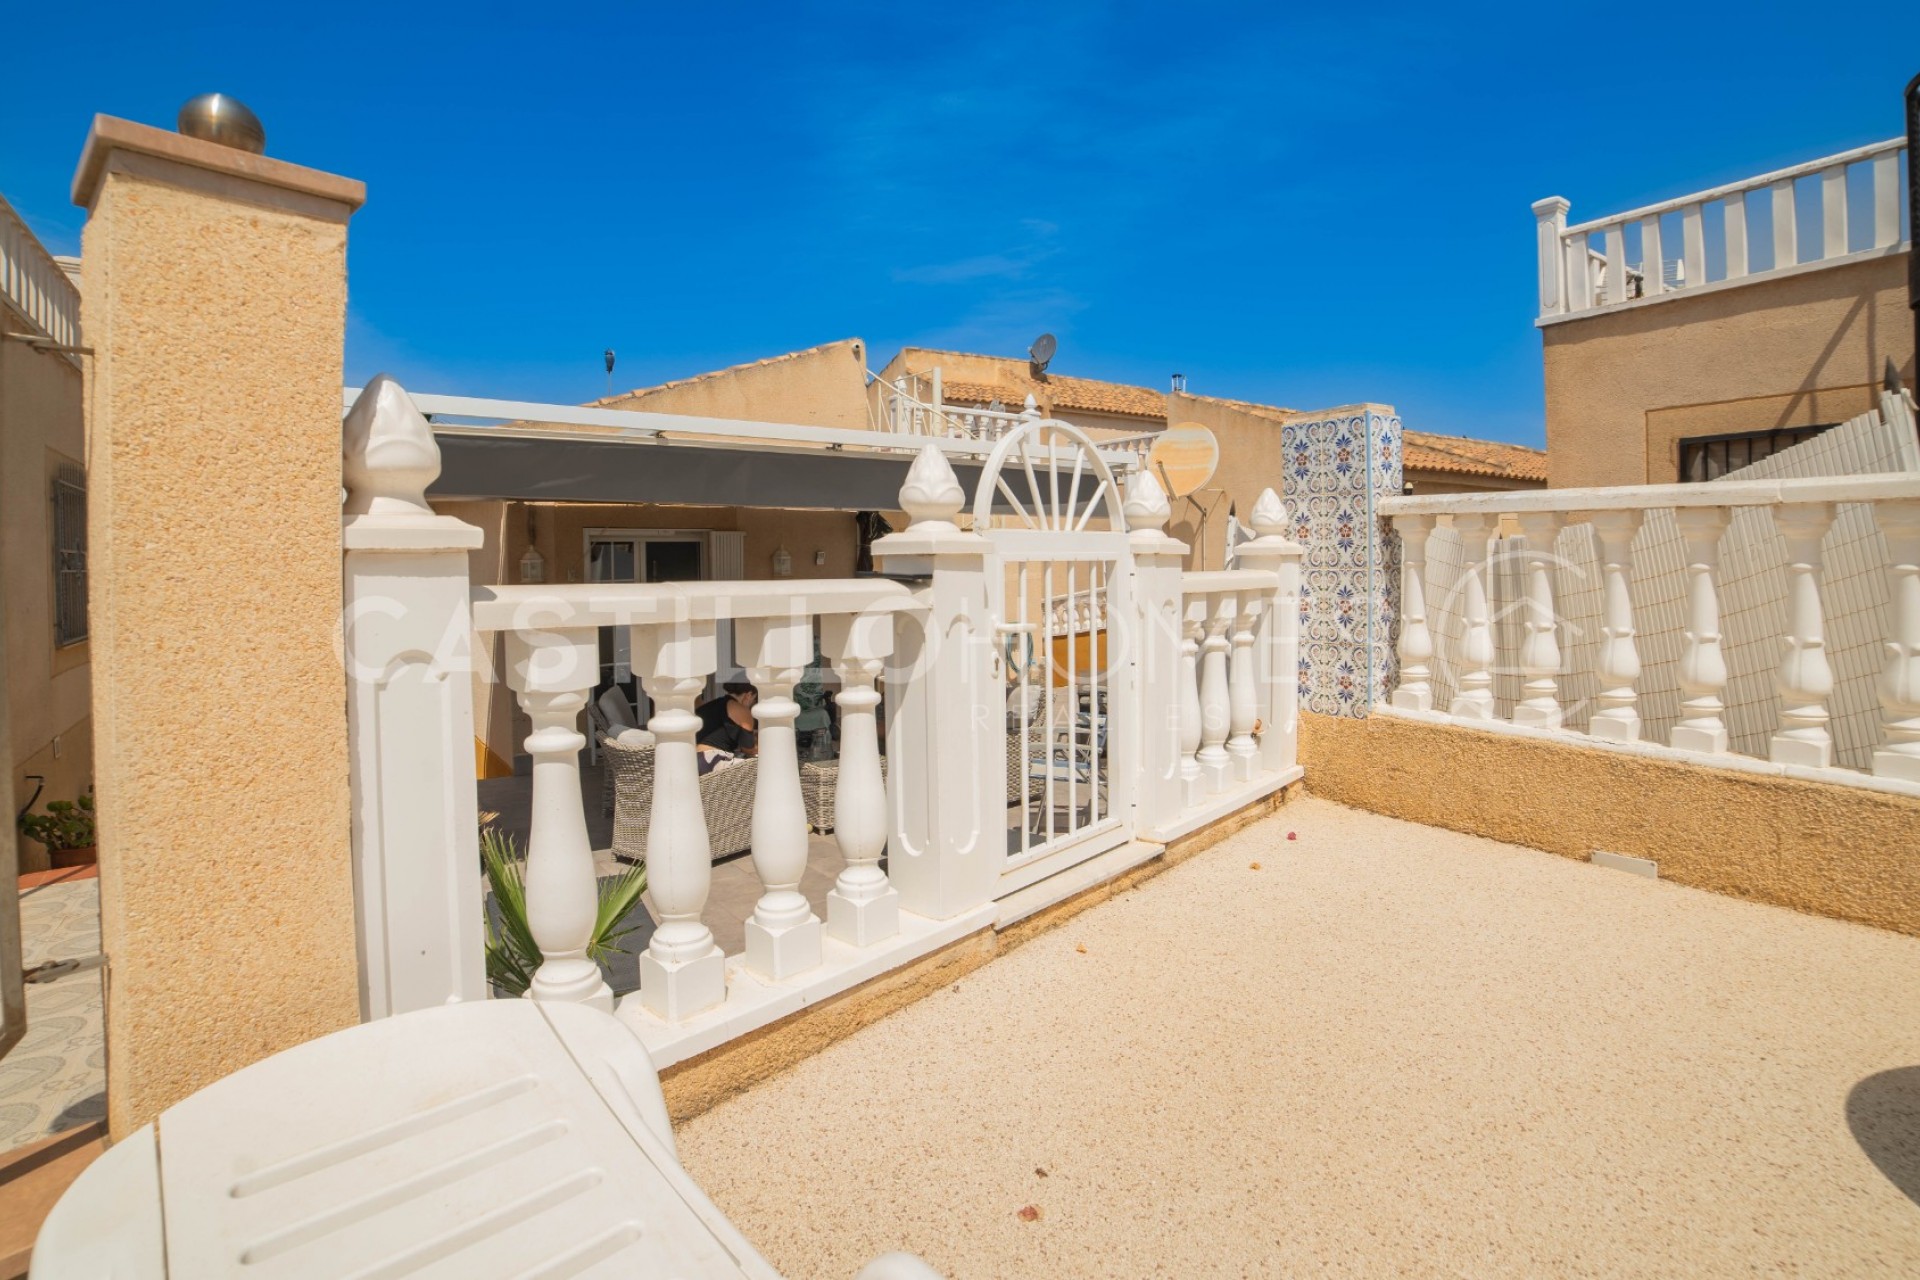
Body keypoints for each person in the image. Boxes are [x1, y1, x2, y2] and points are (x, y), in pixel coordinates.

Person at [697, 682, 759, 763]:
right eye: (754, 700)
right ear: (749, 695)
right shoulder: (740, 709)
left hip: (692, 759)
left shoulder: (711, 705)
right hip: (712, 761)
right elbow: (750, 750)